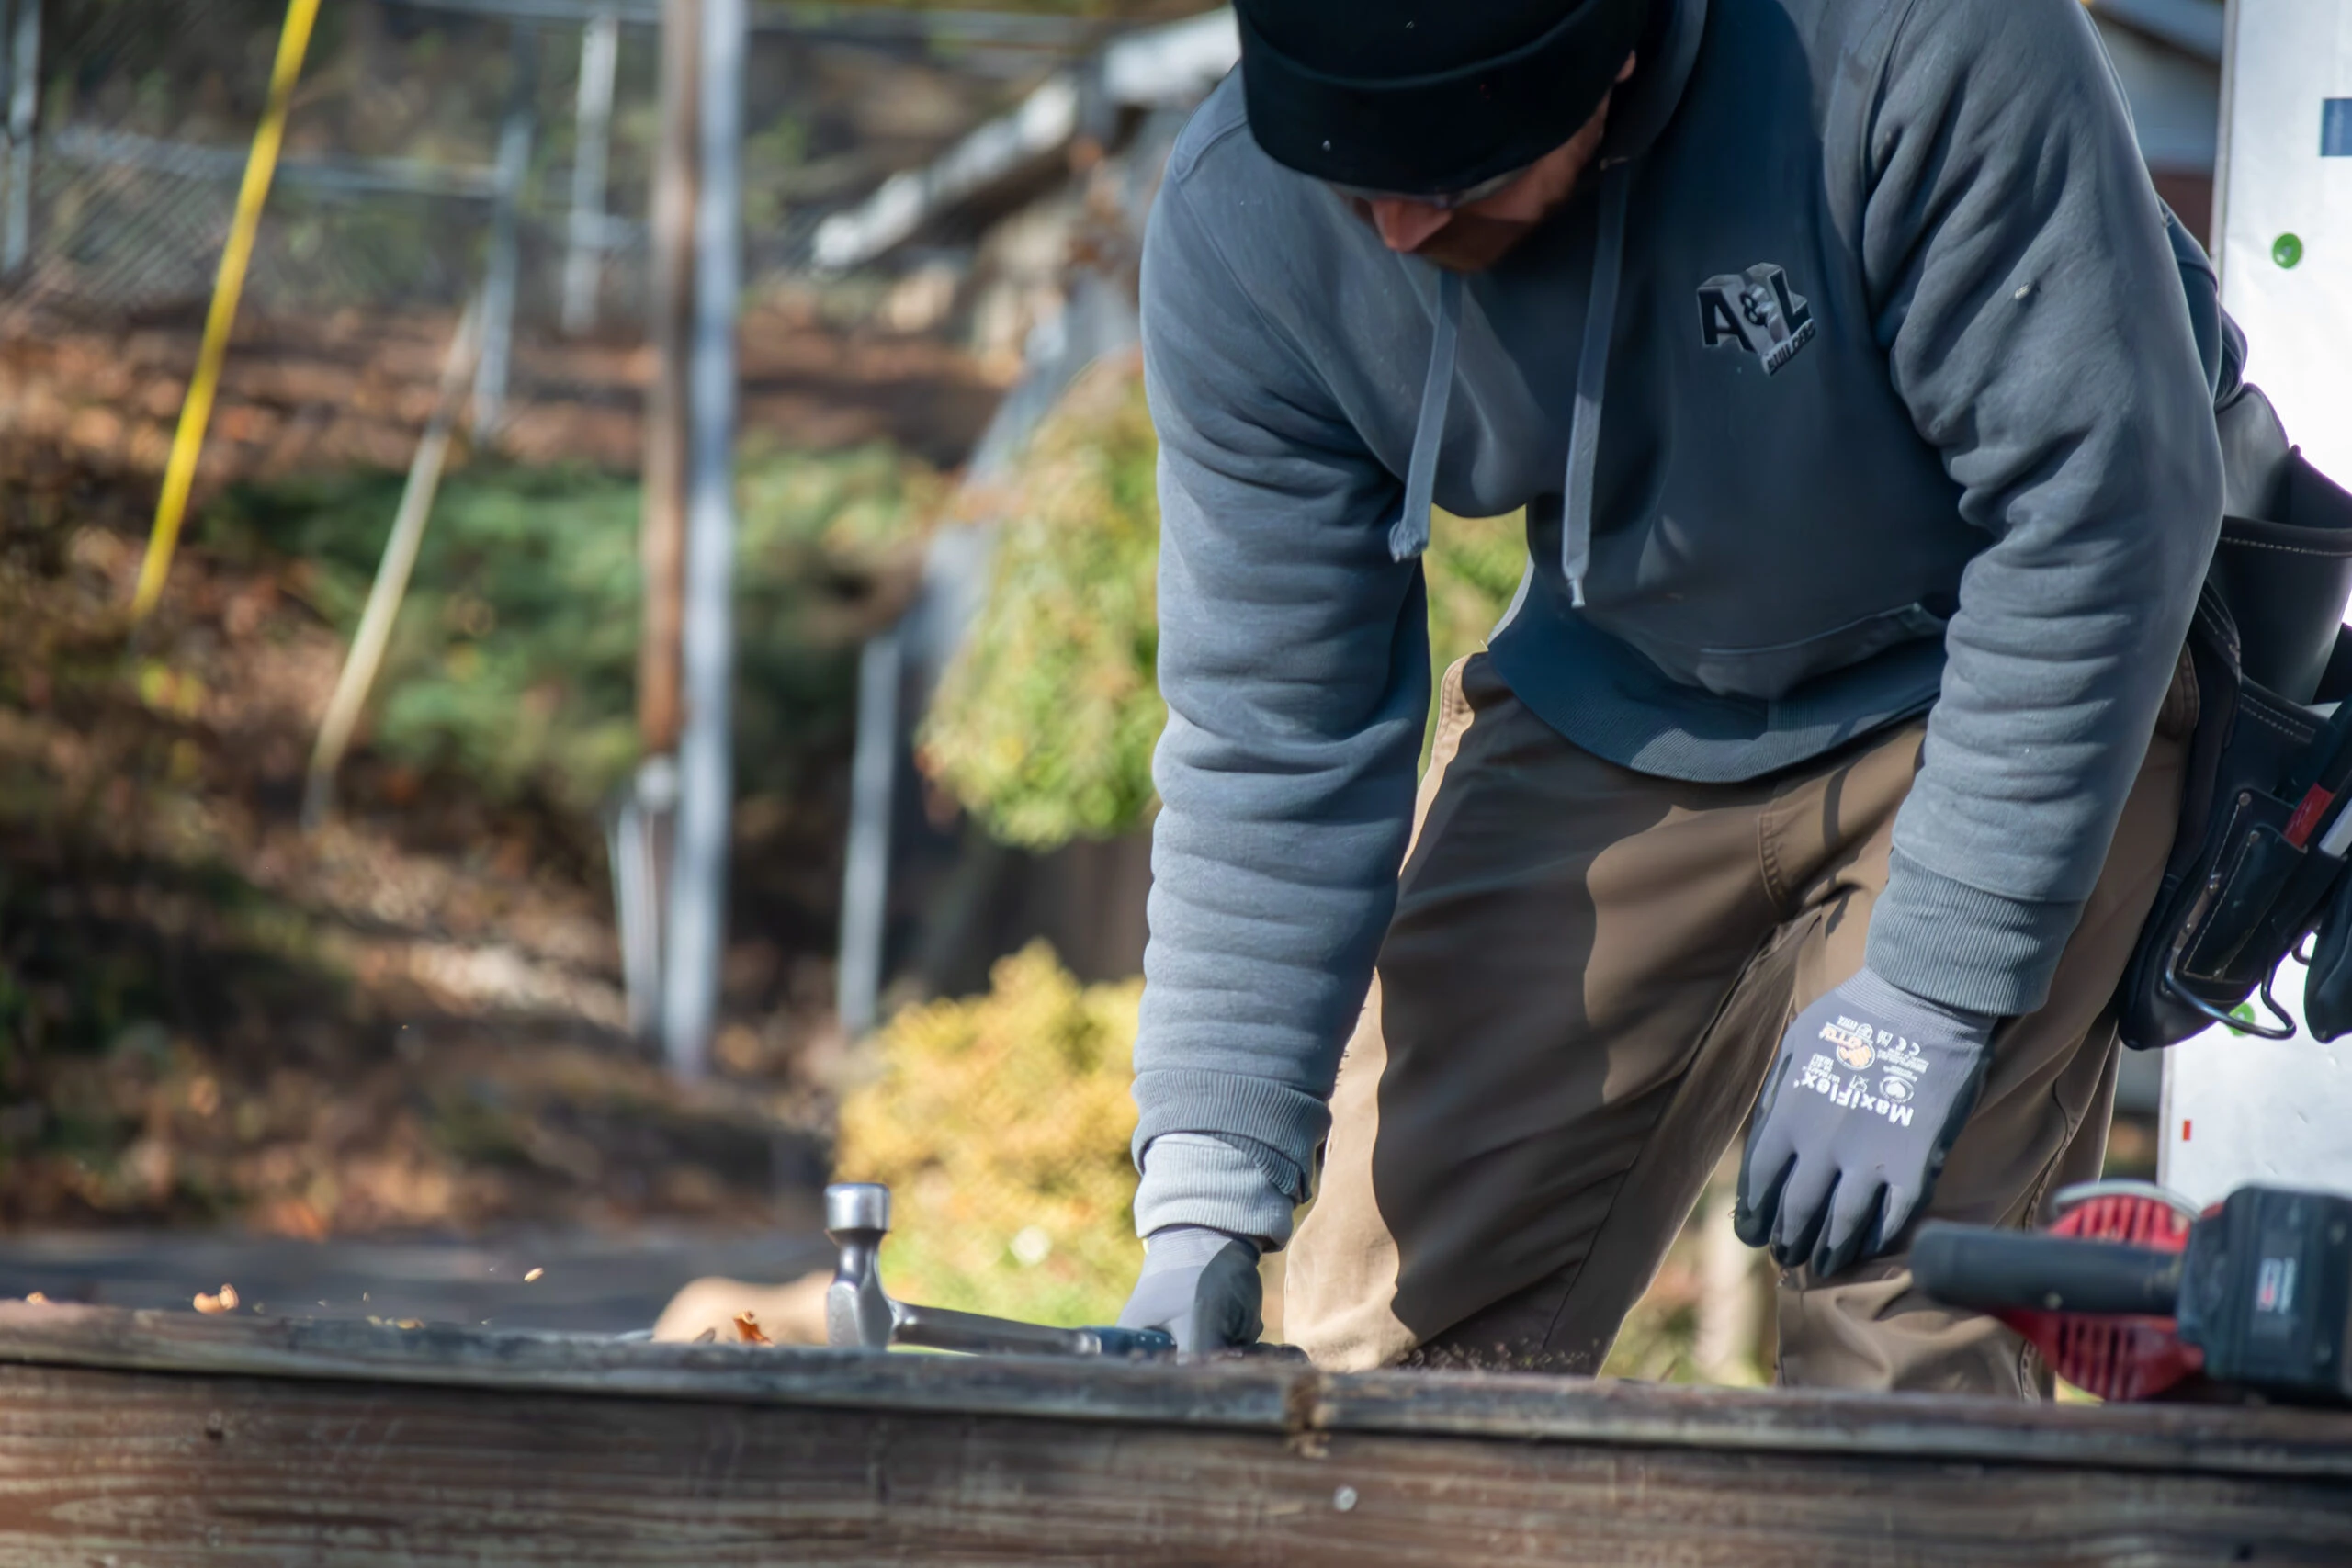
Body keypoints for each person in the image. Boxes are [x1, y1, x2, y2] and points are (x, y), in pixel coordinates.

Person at [1111, 0, 2228, 1393]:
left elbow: (2098, 511)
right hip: (1625, 679)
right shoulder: (1243, 224)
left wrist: (1936, 991)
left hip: (1997, 672)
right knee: (1382, 1353)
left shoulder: (1915, 43)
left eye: (1451, 180)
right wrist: (1204, 1197)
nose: (1395, 231)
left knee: (1898, 1338)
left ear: (1619, 54)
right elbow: (1273, 729)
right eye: (1356, 187)